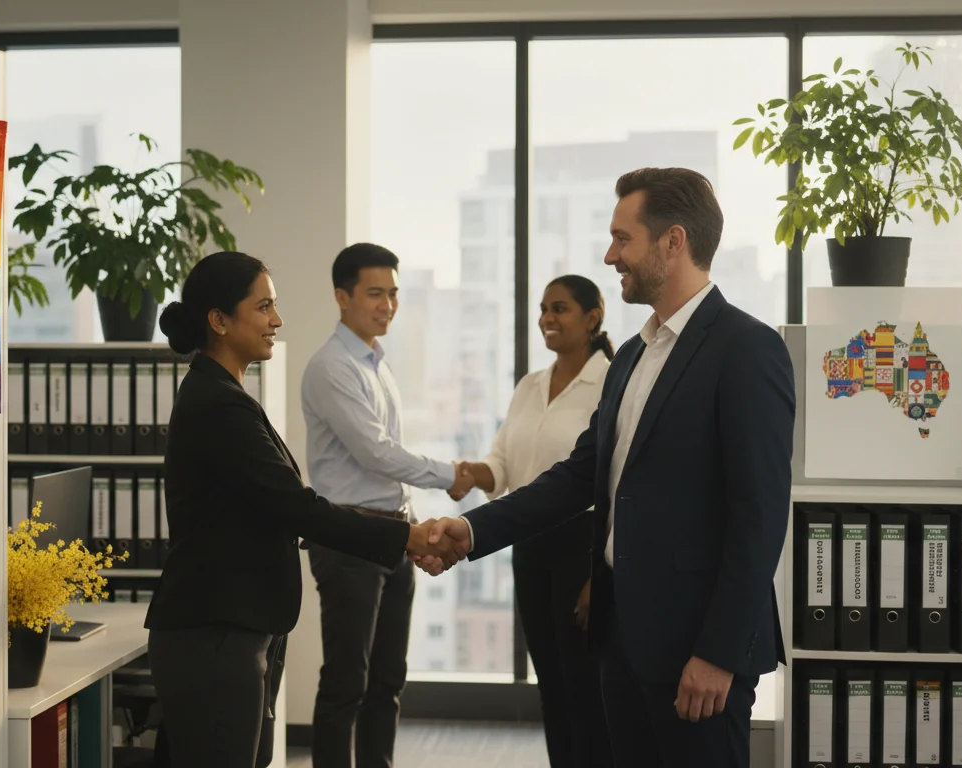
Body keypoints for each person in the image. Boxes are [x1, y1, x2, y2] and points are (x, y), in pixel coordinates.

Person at [420, 168, 795, 768]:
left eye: (623, 239)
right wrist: (472, 531)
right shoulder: (631, 358)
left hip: (698, 655)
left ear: (673, 242)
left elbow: (760, 515)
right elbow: (577, 477)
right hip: (623, 644)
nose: (609, 254)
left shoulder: (746, 349)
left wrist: (719, 653)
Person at [143, 251, 468, 768]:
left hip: (234, 630)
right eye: (264, 306)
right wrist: (406, 537)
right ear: (220, 321)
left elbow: (272, 509)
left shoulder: (225, 393)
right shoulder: (217, 403)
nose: (277, 320)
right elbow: (299, 508)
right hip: (215, 635)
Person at [299, 243, 475, 768]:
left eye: (394, 293)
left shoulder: (376, 362)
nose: (388, 305)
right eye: (375, 293)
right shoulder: (332, 366)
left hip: (395, 534)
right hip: (350, 539)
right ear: (341, 296)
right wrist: (453, 476)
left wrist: (414, 523)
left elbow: (385, 464)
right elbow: (375, 453)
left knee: (387, 683)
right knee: (346, 684)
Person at [460, 274, 614, 768]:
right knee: (551, 680)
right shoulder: (530, 385)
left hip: (582, 549)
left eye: (560, 308)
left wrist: (599, 572)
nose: (547, 318)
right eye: (543, 308)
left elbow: (615, 482)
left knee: (584, 684)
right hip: (529, 546)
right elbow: (503, 461)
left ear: (592, 319)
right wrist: (462, 474)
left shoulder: (610, 382)